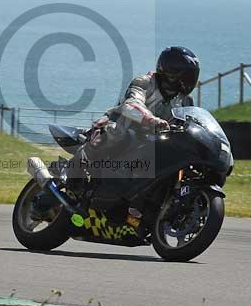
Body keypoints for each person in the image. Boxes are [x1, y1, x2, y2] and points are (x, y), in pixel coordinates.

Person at [28, 46, 201, 217]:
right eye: (186, 75)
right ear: (170, 72)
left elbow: (191, 122)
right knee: (113, 133)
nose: (190, 80)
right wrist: (151, 120)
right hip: (119, 127)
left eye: (192, 76)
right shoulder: (146, 82)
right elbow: (132, 104)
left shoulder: (185, 100)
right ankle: (67, 179)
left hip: (150, 143)